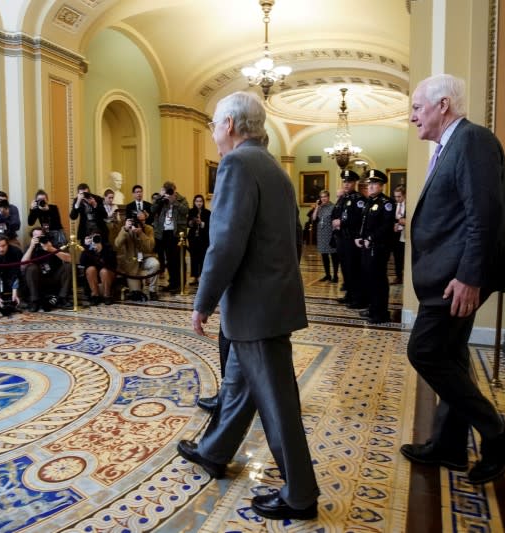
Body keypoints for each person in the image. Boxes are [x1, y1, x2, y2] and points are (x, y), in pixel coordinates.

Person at [178, 91, 318, 521]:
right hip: (267, 302)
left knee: (277, 403)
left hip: (256, 309)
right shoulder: (274, 167)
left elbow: (225, 243)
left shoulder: (237, 164)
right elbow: (291, 239)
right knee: (238, 387)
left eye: (215, 124)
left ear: (232, 125)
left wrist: (202, 301)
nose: (214, 132)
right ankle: (214, 451)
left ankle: (300, 493)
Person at [400, 74, 505, 485]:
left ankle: (499, 435)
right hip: (450, 273)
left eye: (418, 107)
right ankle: (450, 447)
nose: (412, 115)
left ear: (443, 105)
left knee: (425, 351)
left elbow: (484, 215)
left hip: (457, 277)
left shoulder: (472, 140)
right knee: (451, 355)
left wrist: (469, 277)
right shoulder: (451, 144)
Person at [354, 170, 395, 324]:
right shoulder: (369, 202)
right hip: (366, 246)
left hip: (378, 247)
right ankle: (372, 308)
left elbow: (386, 226)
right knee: (369, 278)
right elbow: (364, 223)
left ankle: (381, 313)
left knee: (378, 280)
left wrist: (370, 238)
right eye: (369, 184)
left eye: (374, 184)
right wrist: (360, 236)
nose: (370, 187)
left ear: (382, 186)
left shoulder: (387, 203)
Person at [333, 170, 367, 307]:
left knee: (354, 269)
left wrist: (342, 222)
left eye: (349, 182)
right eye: (345, 182)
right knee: (345, 269)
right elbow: (335, 213)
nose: (346, 184)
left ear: (354, 183)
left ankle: (357, 299)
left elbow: (359, 219)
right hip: (342, 238)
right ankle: (349, 295)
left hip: (352, 239)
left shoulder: (359, 199)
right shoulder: (343, 198)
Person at [21, 227, 71, 311]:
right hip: (38, 278)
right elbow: (22, 266)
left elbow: (69, 259)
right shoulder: (29, 248)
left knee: (68, 266)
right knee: (31, 268)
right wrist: (31, 247)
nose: (39, 239)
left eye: (41, 236)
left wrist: (51, 249)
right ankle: (34, 301)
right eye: (36, 237)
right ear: (32, 238)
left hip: (53, 276)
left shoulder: (52, 245)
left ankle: (63, 298)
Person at [152, 180, 189, 293]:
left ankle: (180, 284)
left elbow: (185, 211)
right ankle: (172, 283)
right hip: (165, 233)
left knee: (178, 259)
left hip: (178, 234)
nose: (169, 193)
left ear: (174, 190)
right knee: (170, 260)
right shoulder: (162, 200)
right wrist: (160, 199)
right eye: (167, 190)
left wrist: (174, 202)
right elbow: (152, 210)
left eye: (170, 190)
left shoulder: (182, 199)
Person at [114, 211, 160, 301]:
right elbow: (117, 245)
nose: (141, 223)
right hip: (131, 263)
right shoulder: (125, 229)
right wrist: (125, 230)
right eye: (139, 220)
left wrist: (141, 234)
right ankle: (133, 288)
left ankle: (152, 290)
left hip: (146, 258)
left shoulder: (149, 229)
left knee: (155, 264)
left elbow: (150, 247)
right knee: (136, 294)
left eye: (143, 220)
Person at [80, 232, 117, 305]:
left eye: (97, 238)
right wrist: (87, 247)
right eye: (93, 238)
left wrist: (101, 250)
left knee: (104, 271)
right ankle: (95, 295)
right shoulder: (89, 248)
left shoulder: (107, 247)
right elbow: (82, 262)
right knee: (91, 269)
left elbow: (113, 263)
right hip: (93, 273)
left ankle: (107, 295)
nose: (96, 240)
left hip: (107, 272)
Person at [310, 189, 338, 282]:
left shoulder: (333, 207)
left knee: (333, 255)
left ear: (328, 197)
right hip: (321, 234)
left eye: (325, 196)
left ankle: (335, 276)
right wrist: (317, 207)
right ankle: (327, 275)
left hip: (330, 233)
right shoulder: (320, 207)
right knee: (324, 256)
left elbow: (336, 221)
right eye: (322, 197)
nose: (323, 199)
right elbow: (314, 218)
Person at [187, 194, 211, 285]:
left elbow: (209, 225)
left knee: (202, 257)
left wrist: (201, 223)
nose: (199, 203)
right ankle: (194, 276)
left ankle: (201, 275)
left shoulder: (207, 212)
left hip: (203, 238)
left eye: (200, 201)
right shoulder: (191, 211)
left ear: (203, 202)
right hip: (193, 238)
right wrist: (192, 222)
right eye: (197, 201)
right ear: (194, 202)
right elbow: (188, 224)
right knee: (194, 257)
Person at [391, 185, 406, 284]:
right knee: (397, 257)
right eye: (395, 197)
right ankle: (398, 276)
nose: (397, 199)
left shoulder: (409, 205)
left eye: (399, 196)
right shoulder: (393, 205)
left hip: (405, 234)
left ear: (404, 195)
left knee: (405, 257)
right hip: (396, 235)